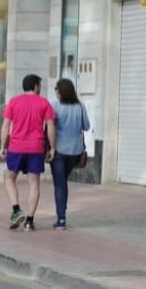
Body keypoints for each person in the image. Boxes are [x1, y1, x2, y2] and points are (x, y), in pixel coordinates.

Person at [0, 74, 56, 231]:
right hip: (36, 148)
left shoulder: (14, 102)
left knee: (9, 178)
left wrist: (3, 145)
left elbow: (5, 126)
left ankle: (16, 210)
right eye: (40, 85)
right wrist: (52, 148)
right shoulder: (44, 103)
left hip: (16, 147)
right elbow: (51, 127)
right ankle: (30, 221)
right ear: (36, 86)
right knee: (34, 183)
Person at [50, 78, 90, 230]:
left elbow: (49, 126)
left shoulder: (55, 107)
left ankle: (61, 218)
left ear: (60, 92)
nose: (56, 93)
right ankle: (62, 214)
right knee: (63, 181)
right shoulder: (80, 107)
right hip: (75, 151)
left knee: (60, 184)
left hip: (59, 150)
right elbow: (86, 126)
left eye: (57, 90)